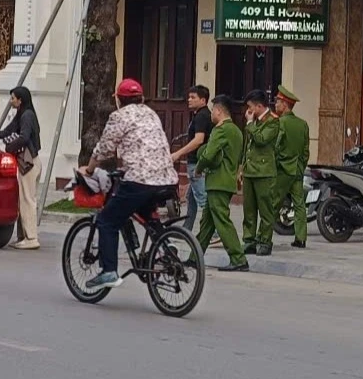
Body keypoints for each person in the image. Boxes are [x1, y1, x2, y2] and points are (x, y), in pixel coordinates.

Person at [81, 79, 179, 290]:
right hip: (167, 179)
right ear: (141, 98)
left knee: (107, 221)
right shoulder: (151, 113)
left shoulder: (119, 116)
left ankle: (109, 272)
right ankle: (166, 245)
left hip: (139, 180)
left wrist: (88, 170)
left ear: (118, 99)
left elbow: (105, 148)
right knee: (148, 215)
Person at [195, 95, 248, 271]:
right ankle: (195, 257)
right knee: (207, 223)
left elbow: (209, 154)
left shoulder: (220, 130)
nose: (211, 114)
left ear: (218, 111)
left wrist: (199, 168)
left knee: (222, 221)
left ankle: (238, 258)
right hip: (227, 180)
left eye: (212, 111)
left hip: (217, 181)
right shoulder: (237, 131)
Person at [0, 85, 42, 250]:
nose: (11, 101)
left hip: (28, 163)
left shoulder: (27, 115)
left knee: (27, 200)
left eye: (13, 98)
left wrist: (10, 147)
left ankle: (31, 238)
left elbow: (24, 137)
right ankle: (23, 237)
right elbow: (6, 132)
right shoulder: (22, 114)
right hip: (28, 163)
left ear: (20, 100)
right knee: (23, 200)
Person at [241, 90, 279, 256]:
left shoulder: (272, 121)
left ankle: (264, 241)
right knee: (248, 209)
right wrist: (242, 167)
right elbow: (247, 146)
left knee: (265, 209)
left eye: (250, 107)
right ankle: (249, 240)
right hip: (250, 171)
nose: (248, 110)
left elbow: (261, 140)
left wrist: (250, 124)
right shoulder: (254, 121)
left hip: (264, 172)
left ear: (259, 106)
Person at [273, 85, 311, 249]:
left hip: (283, 169)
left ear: (285, 105)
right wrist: (301, 165)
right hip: (297, 169)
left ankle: (264, 236)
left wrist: (276, 165)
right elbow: (306, 151)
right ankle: (301, 238)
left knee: (274, 202)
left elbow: (275, 147)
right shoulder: (303, 124)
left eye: (278, 101)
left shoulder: (280, 123)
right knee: (299, 204)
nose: (275, 104)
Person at [171, 84, 212, 232]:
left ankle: (214, 233)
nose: (189, 100)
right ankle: (186, 229)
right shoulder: (202, 114)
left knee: (203, 199)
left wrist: (178, 153)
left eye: (193, 97)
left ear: (203, 100)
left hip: (196, 162)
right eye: (189, 97)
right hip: (197, 161)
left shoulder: (201, 116)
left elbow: (198, 140)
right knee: (191, 198)